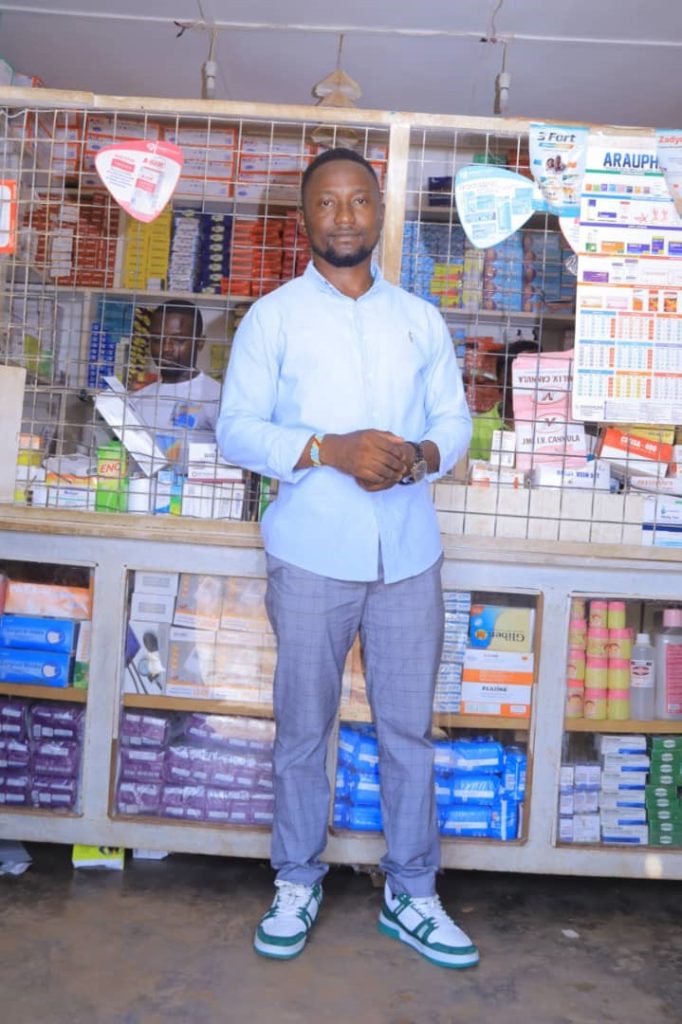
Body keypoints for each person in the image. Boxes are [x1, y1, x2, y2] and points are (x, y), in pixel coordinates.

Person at [216, 148, 476, 969]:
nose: (344, 217)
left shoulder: (420, 319)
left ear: (378, 212)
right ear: (305, 217)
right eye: (327, 203)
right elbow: (236, 430)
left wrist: (423, 455)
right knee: (303, 728)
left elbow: (455, 420)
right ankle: (297, 879)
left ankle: (412, 891)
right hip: (310, 554)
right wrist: (328, 449)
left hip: (408, 556)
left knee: (408, 733)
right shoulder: (273, 319)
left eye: (358, 200)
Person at [132, 300, 221, 471]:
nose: (166, 348)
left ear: (200, 343)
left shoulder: (217, 398)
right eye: (157, 339)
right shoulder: (136, 400)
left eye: (178, 340)